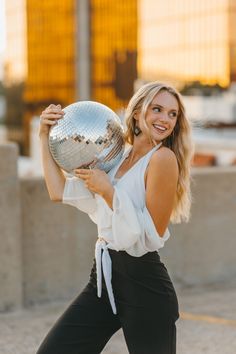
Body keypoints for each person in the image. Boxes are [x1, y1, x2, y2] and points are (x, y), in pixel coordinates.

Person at [36, 81, 193, 354]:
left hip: (144, 285)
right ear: (136, 113)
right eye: (157, 109)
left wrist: (108, 192)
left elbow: (149, 236)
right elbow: (58, 191)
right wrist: (43, 135)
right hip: (104, 278)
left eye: (172, 114)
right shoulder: (118, 156)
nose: (165, 119)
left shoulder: (163, 159)